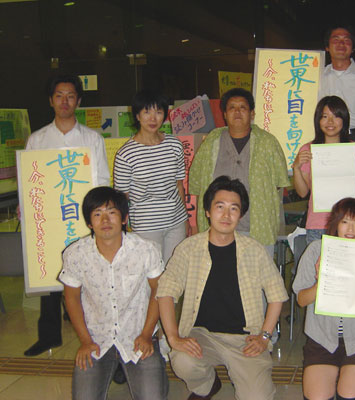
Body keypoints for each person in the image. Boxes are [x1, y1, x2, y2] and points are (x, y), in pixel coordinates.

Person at [157, 176, 288, 400]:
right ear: (207, 211)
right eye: (220, 207)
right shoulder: (188, 248)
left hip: (245, 339)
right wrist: (173, 337)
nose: (226, 215)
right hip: (202, 335)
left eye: (233, 209)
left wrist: (264, 336)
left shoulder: (254, 250)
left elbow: (277, 295)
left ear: (241, 215)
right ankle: (207, 385)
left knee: (257, 397)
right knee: (182, 360)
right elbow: (165, 292)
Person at [23, 74, 110, 357]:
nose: (64, 101)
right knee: (49, 275)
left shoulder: (92, 139)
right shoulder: (37, 139)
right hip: (50, 221)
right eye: (59, 96)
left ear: (78, 101)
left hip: (81, 219)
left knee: (87, 277)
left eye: (70, 96)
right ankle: (49, 336)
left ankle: (96, 336)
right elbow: (29, 181)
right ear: (51, 100)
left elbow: (101, 180)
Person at [59, 186, 168, 400]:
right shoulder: (75, 254)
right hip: (97, 339)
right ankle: (118, 368)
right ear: (89, 223)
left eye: (112, 212)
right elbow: (71, 297)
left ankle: (136, 365)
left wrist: (147, 334)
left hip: (138, 336)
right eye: (97, 214)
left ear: (125, 218)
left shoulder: (146, 250)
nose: (105, 220)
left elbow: (159, 289)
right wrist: (85, 341)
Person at [293, 198, 355, 400]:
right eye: (345, 221)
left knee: (349, 395)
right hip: (322, 339)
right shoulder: (316, 250)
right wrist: (321, 280)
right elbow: (301, 300)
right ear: (335, 223)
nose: (350, 229)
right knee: (318, 397)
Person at [188, 88, 289, 254]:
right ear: (224, 114)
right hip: (217, 227)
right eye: (232, 108)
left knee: (257, 269)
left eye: (243, 107)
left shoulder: (268, 142)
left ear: (252, 113)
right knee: (219, 268)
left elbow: (278, 182)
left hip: (257, 227)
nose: (237, 112)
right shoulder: (212, 141)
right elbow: (197, 182)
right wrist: (195, 222)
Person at [113, 90, 189, 264]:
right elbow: (122, 197)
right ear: (137, 116)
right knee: (151, 272)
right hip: (146, 225)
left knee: (175, 271)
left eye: (159, 112)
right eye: (147, 112)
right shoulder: (126, 154)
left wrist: (185, 218)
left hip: (176, 221)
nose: (153, 118)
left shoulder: (174, 145)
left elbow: (179, 185)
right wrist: (123, 227)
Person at [292, 96, 355, 244]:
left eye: (336, 116)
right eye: (325, 117)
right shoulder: (308, 149)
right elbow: (303, 192)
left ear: (344, 120)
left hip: (349, 224)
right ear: (318, 120)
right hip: (318, 224)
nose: (330, 122)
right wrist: (296, 168)